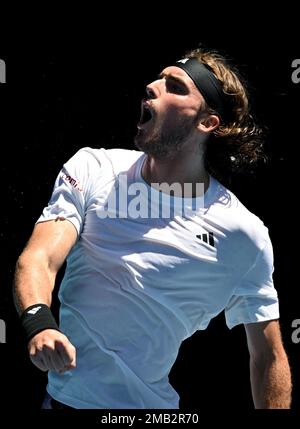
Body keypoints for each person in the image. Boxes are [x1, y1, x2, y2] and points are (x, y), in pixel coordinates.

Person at [13, 46, 292, 409]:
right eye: (158, 78)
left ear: (206, 122)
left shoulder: (243, 234)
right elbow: (39, 258)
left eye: (175, 86)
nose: (151, 86)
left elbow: (268, 357)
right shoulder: (93, 168)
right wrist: (40, 322)